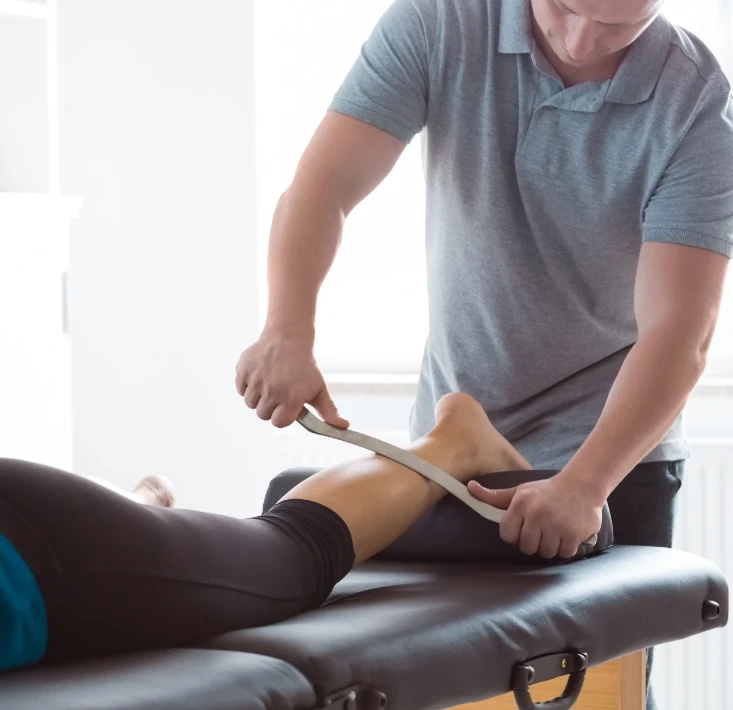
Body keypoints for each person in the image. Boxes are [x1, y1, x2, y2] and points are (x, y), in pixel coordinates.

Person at [233, 1, 733, 707]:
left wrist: (585, 486)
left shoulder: (696, 103)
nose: (581, 40)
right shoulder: (440, 22)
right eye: (564, 7)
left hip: (607, 459)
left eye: (617, 26)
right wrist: (287, 329)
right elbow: (324, 186)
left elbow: (679, 332)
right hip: (448, 457)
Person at [0, 394, 542, 672]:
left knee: (291, 552)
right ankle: (138, 503)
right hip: (31, 528)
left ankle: (457, 442)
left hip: (32, 560)